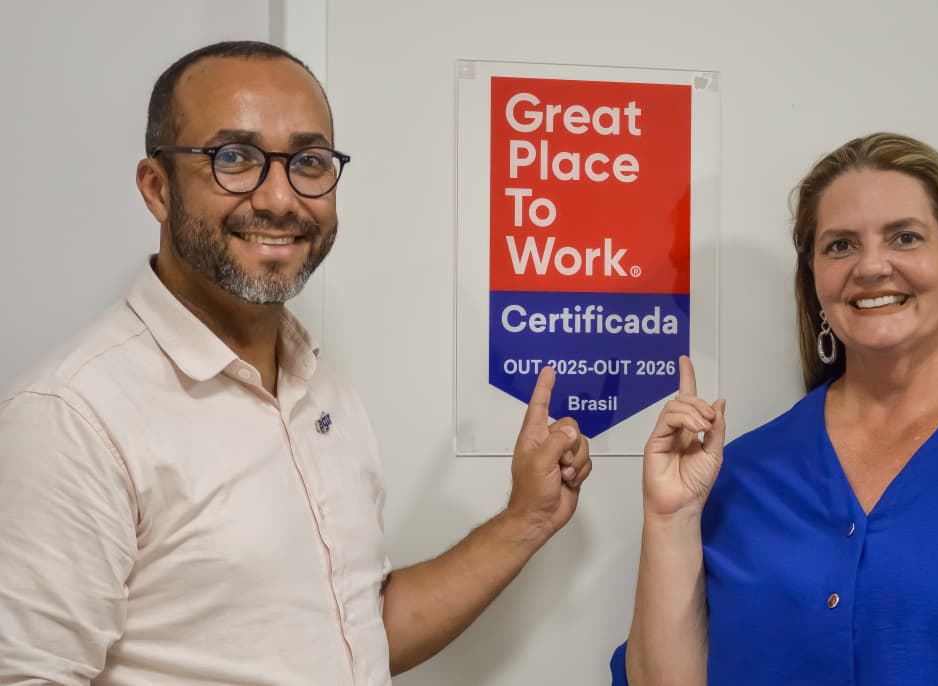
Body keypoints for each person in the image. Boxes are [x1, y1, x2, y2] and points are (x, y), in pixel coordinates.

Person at [0, 41, 592, 686]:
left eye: (308, 162)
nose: (280, 198)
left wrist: (526, 519)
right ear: (156, 188)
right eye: (235, 158)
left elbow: (355, 635)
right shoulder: (74, 417)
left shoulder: (319, 386)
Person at [611, 132, 938, 684]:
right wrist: (670, 520)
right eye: (840, 245)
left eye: (905, 238)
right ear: (814, 282)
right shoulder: (741, 471)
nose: (871, 266)